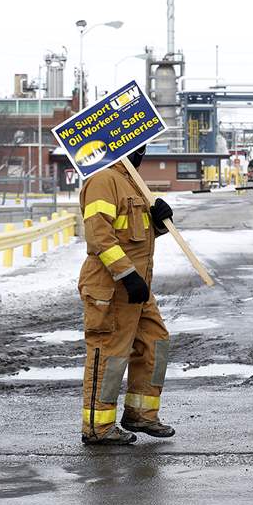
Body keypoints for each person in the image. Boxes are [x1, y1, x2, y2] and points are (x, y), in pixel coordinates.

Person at [78, 146, 176, 445]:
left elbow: (134, 232)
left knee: (155, 343)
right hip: (111, 286)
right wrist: (126, 273)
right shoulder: (103, 180)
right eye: (139, 147)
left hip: (137, 287)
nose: (142, 153)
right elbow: (98, 234)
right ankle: (98, 425)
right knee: (109, 353)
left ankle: (140, 414)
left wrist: (159, 223)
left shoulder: (132, 182)